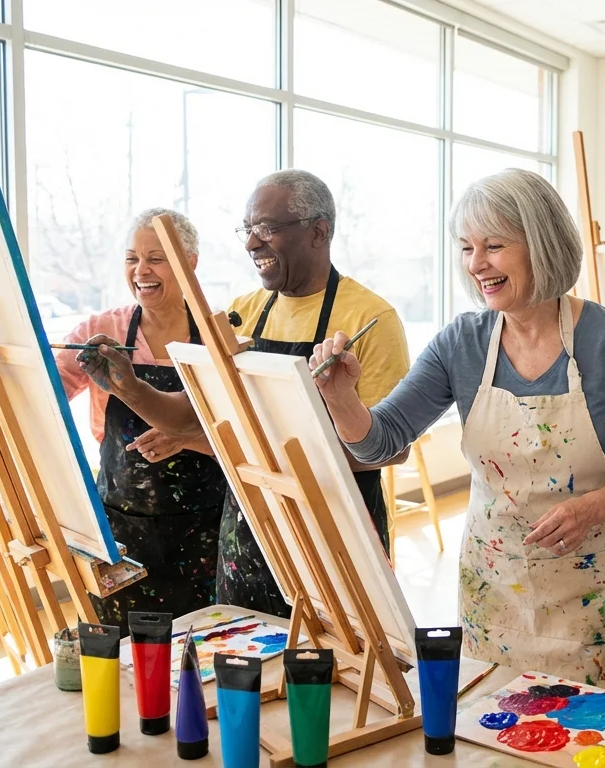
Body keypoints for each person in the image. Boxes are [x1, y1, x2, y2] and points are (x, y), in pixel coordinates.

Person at [311, 169, 605, 693]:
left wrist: (591, 508)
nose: (476, 264)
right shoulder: (462, 342)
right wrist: (342, 399)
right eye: (465, 248)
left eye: (494, 245)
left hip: (594, 596)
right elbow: (382, 440)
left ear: (542, 245)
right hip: (494, 593)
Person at [76, 170, 412, 620]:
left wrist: (269, 448)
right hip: (249, 528)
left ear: (319, 231)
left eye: (268, 229)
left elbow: (390, 451)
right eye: (248, 230)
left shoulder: (371, 317)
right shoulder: (243, 314)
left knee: (336, 672)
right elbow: (186, 417)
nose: (252, 243)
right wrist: (129, 387)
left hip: (334, 527)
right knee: (244, 667)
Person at [56, 208, 227, 633]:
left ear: (191, 263)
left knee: (198, 651)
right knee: (118, 654)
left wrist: (185, 436)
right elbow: (45, 392)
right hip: (121, 526)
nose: (141, 270)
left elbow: (239, 434)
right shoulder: (103, 330)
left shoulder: (215, 337)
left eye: (156, 258)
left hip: (203, 527)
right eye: (132, 258)